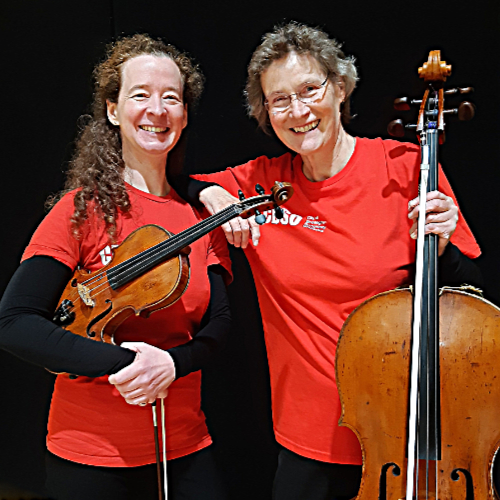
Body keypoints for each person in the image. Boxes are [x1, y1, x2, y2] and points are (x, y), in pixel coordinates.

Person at [170, 22, 483, 500]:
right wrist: (209, 191)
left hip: (407, 433)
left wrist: (444, 249)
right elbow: (172, 183)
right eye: (279, 100)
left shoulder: (405, 167)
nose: (298, 111)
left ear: (340, 88)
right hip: (306, 443)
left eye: (310, 90)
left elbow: (470, 293)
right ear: (265, 113)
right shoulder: (261, 185)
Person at [0, 34, 231, 500]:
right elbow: (15, 323)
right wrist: (127, 362)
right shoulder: (81, 209)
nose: (158, 109)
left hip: (184, 444)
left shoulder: (201, 216)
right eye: (140, 94)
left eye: (172, 97)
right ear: (112, 110)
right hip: (89, 452)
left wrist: (172, 363)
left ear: (185, 115)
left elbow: (221, 325)